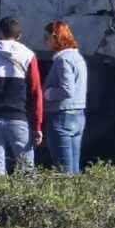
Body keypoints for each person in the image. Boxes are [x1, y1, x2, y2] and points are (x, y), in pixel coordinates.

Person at [0, 16, 43, 174]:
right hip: (18, 118)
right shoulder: (28, 55)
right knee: (27, 170)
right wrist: (37, 126)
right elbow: (35, 92)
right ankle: (29, 199)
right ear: (19, 36)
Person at [43, 21, 88, 174]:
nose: (45, 41)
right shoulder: (78, 58)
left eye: (47, 37)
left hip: (62, 116)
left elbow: (67, 90)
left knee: (63, 170)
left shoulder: (63, 59)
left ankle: (66, 196)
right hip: (78, 115)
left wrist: (47, 94)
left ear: (56, 37)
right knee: (74, 168)